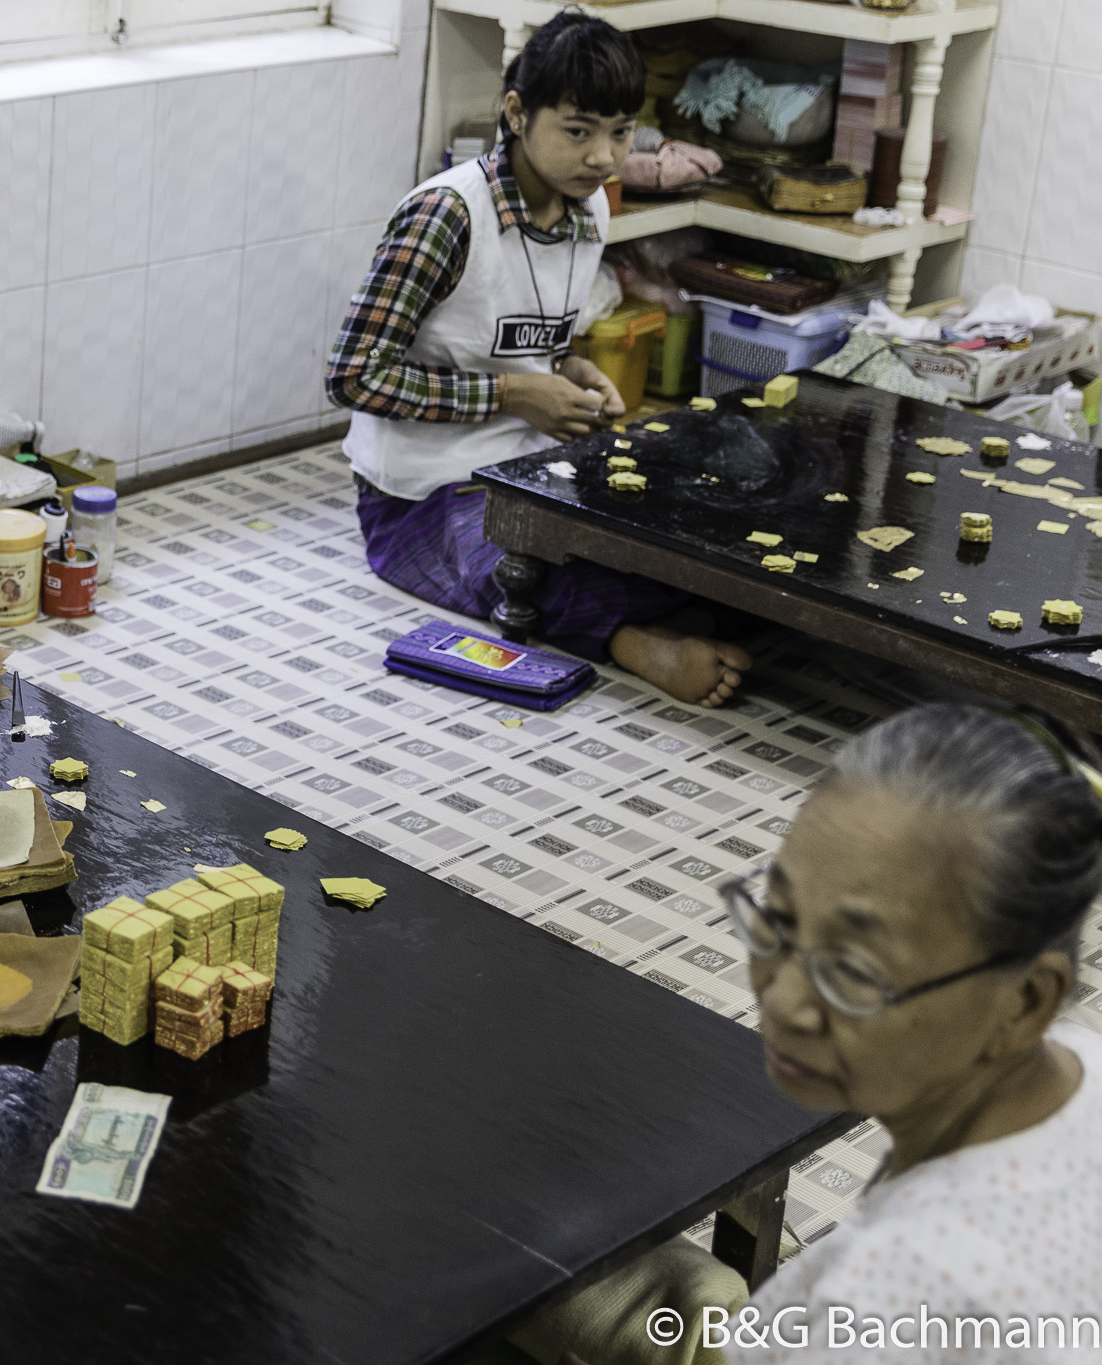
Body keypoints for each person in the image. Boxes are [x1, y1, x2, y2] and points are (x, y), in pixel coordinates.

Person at [326, 12, 750, 708]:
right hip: (423, 499)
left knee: (689, 532)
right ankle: (632, 642)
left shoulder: (588, 213)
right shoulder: (447, 217)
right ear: (517, 113)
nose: (603, 157)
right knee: (517, 571)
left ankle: (651, 608)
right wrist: (514, 397)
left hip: (529, 476)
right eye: (578, 131)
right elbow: (353, 374)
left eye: (620, 133)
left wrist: (571, 373)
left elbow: (533, 342)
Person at [721, 704, 1102, 1361]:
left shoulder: (897, 1294)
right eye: (777, 917)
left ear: (1024, 1002)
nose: (783, 1003)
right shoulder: (1083, 1061)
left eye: (854, 971)